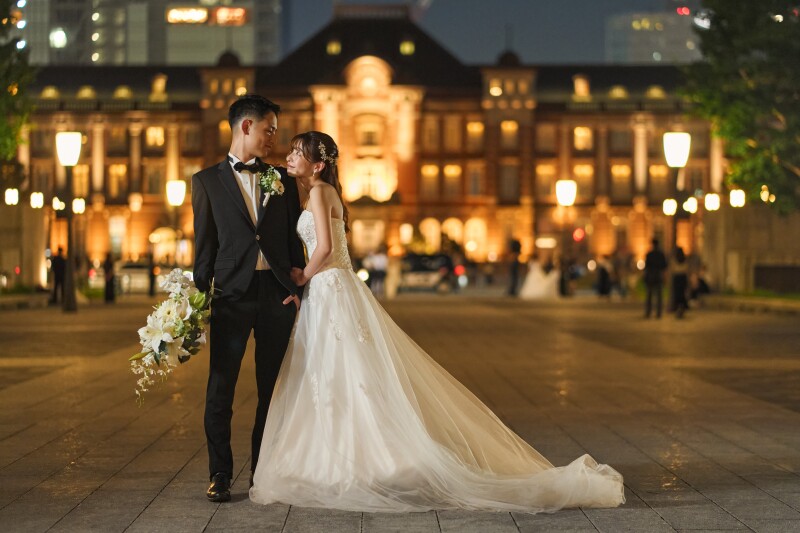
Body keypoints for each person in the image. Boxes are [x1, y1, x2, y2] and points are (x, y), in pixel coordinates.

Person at [249, 131, 624, 513]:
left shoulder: (317, 193)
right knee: (341, 374)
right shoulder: (317, 193)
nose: (290, 155)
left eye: (298, 151)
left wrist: (301, 276)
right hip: (330, 290)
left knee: (338, 373)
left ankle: (345, 458)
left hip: (329, 288)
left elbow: (326, 248)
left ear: (318, 165)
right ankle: (353, 454)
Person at [191, 95, 306, 503]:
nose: (274, 137)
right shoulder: (205, 182)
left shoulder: (283, 180)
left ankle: (263, 471)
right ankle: (219, 474)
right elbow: (204, 250)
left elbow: (295, 241)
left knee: (271, 389)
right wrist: (197, 308)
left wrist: (298, 291)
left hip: (276, 296)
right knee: (220, 388)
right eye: (269, 129)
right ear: (245, 127)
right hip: (231, 297)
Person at [643, 238, 668, 318]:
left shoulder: (649, 254)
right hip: (658, 276)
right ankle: (658, 313)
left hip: (651, 276)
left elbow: (646, 267)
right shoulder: (661, 254)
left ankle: (648, 312)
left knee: (650, 295)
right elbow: (664, 267)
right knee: (658, 296)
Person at [671, 247, 689, 319]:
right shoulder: (685, 260)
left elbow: (673, 270)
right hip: (683, 278)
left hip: (677, 278)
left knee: (677, 295)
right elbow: (687, 269)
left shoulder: (674, 260)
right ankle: (681, 310)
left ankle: (678, 310)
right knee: (682, 295)